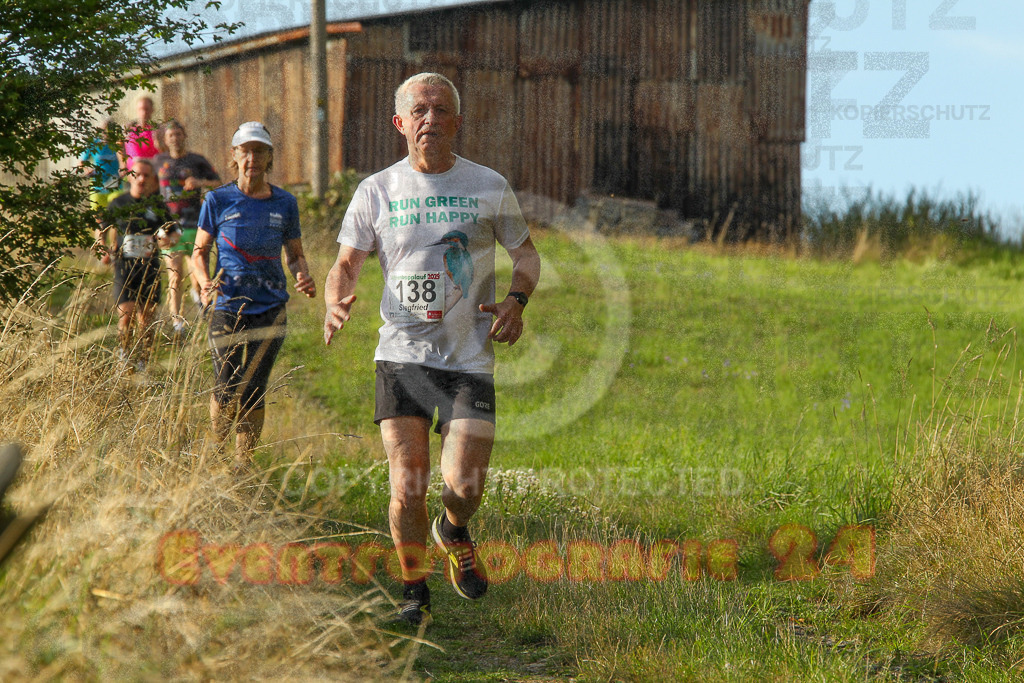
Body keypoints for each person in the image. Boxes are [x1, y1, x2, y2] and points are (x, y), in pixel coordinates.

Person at [323, 72, 541, 626]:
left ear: (458, 122)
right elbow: (346, 263)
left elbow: (527, 255)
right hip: (401, 355)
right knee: (408, 481)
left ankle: (455, 529)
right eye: (419, 110)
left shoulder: (488, 184)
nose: (431, 119)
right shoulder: (377, 189)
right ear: (400, 124)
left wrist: (516, 301)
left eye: (442, 110)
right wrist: (336, 299)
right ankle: (413, 593)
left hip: (469, 358)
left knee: (464, 487)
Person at [192, 122, 316, 468]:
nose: (252, 159)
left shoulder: (285, 203)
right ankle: (216, 455)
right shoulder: (217, 200)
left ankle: (242, 466)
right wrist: (204, 283)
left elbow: (294, 254)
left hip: (271, 306)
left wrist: (303, 275)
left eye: (259, 151)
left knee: (254, 386)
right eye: (245, 151)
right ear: (235, 156)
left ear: (269, 157)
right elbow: (198, 253)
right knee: (227, 381)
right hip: (228, 304)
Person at [97, 158, 172, 372]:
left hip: (149, 269)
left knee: (146, 320)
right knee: (126, 316)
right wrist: (102, 249)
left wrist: (167, 239)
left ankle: (143, 362)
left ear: (151, 179)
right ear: (129, 176)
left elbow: (172, 232)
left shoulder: (157, 205)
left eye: (146, 175)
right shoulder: (118, 203)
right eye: (137, 174)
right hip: (123, 268)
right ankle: (123, 357)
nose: (141, 179)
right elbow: (101, 228)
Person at [154, 120, 221, 336]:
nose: (175, 138)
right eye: (171, 135)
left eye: (178, 134)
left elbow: (218, 183)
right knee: (175, 275)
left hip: (194, 223)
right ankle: (177, 323)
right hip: (169, 226)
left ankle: (201, 302)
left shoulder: (196, 160)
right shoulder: (157, 162)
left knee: (197, 273)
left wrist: (200, 182)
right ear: (165, 139)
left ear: (185, 136)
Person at [78, 118, 122, 211]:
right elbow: (81, 163)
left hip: (115, 186)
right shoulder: (94, 143)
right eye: (104, 132)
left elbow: (126, 162)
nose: (107, 135)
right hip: (98, 186)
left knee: (116, 214)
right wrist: (88, 170)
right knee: (98, 215)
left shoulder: (119, 144)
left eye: (110, 132)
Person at [119, 95, 160, 172]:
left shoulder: (157, 130)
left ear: (152, 110)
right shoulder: (128, 129)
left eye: (146, 109)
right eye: (141, 109)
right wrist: (122, 163)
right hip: (132, 173)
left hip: (151, 174)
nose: (144, 112)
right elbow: (119, 144)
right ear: (137, 110)